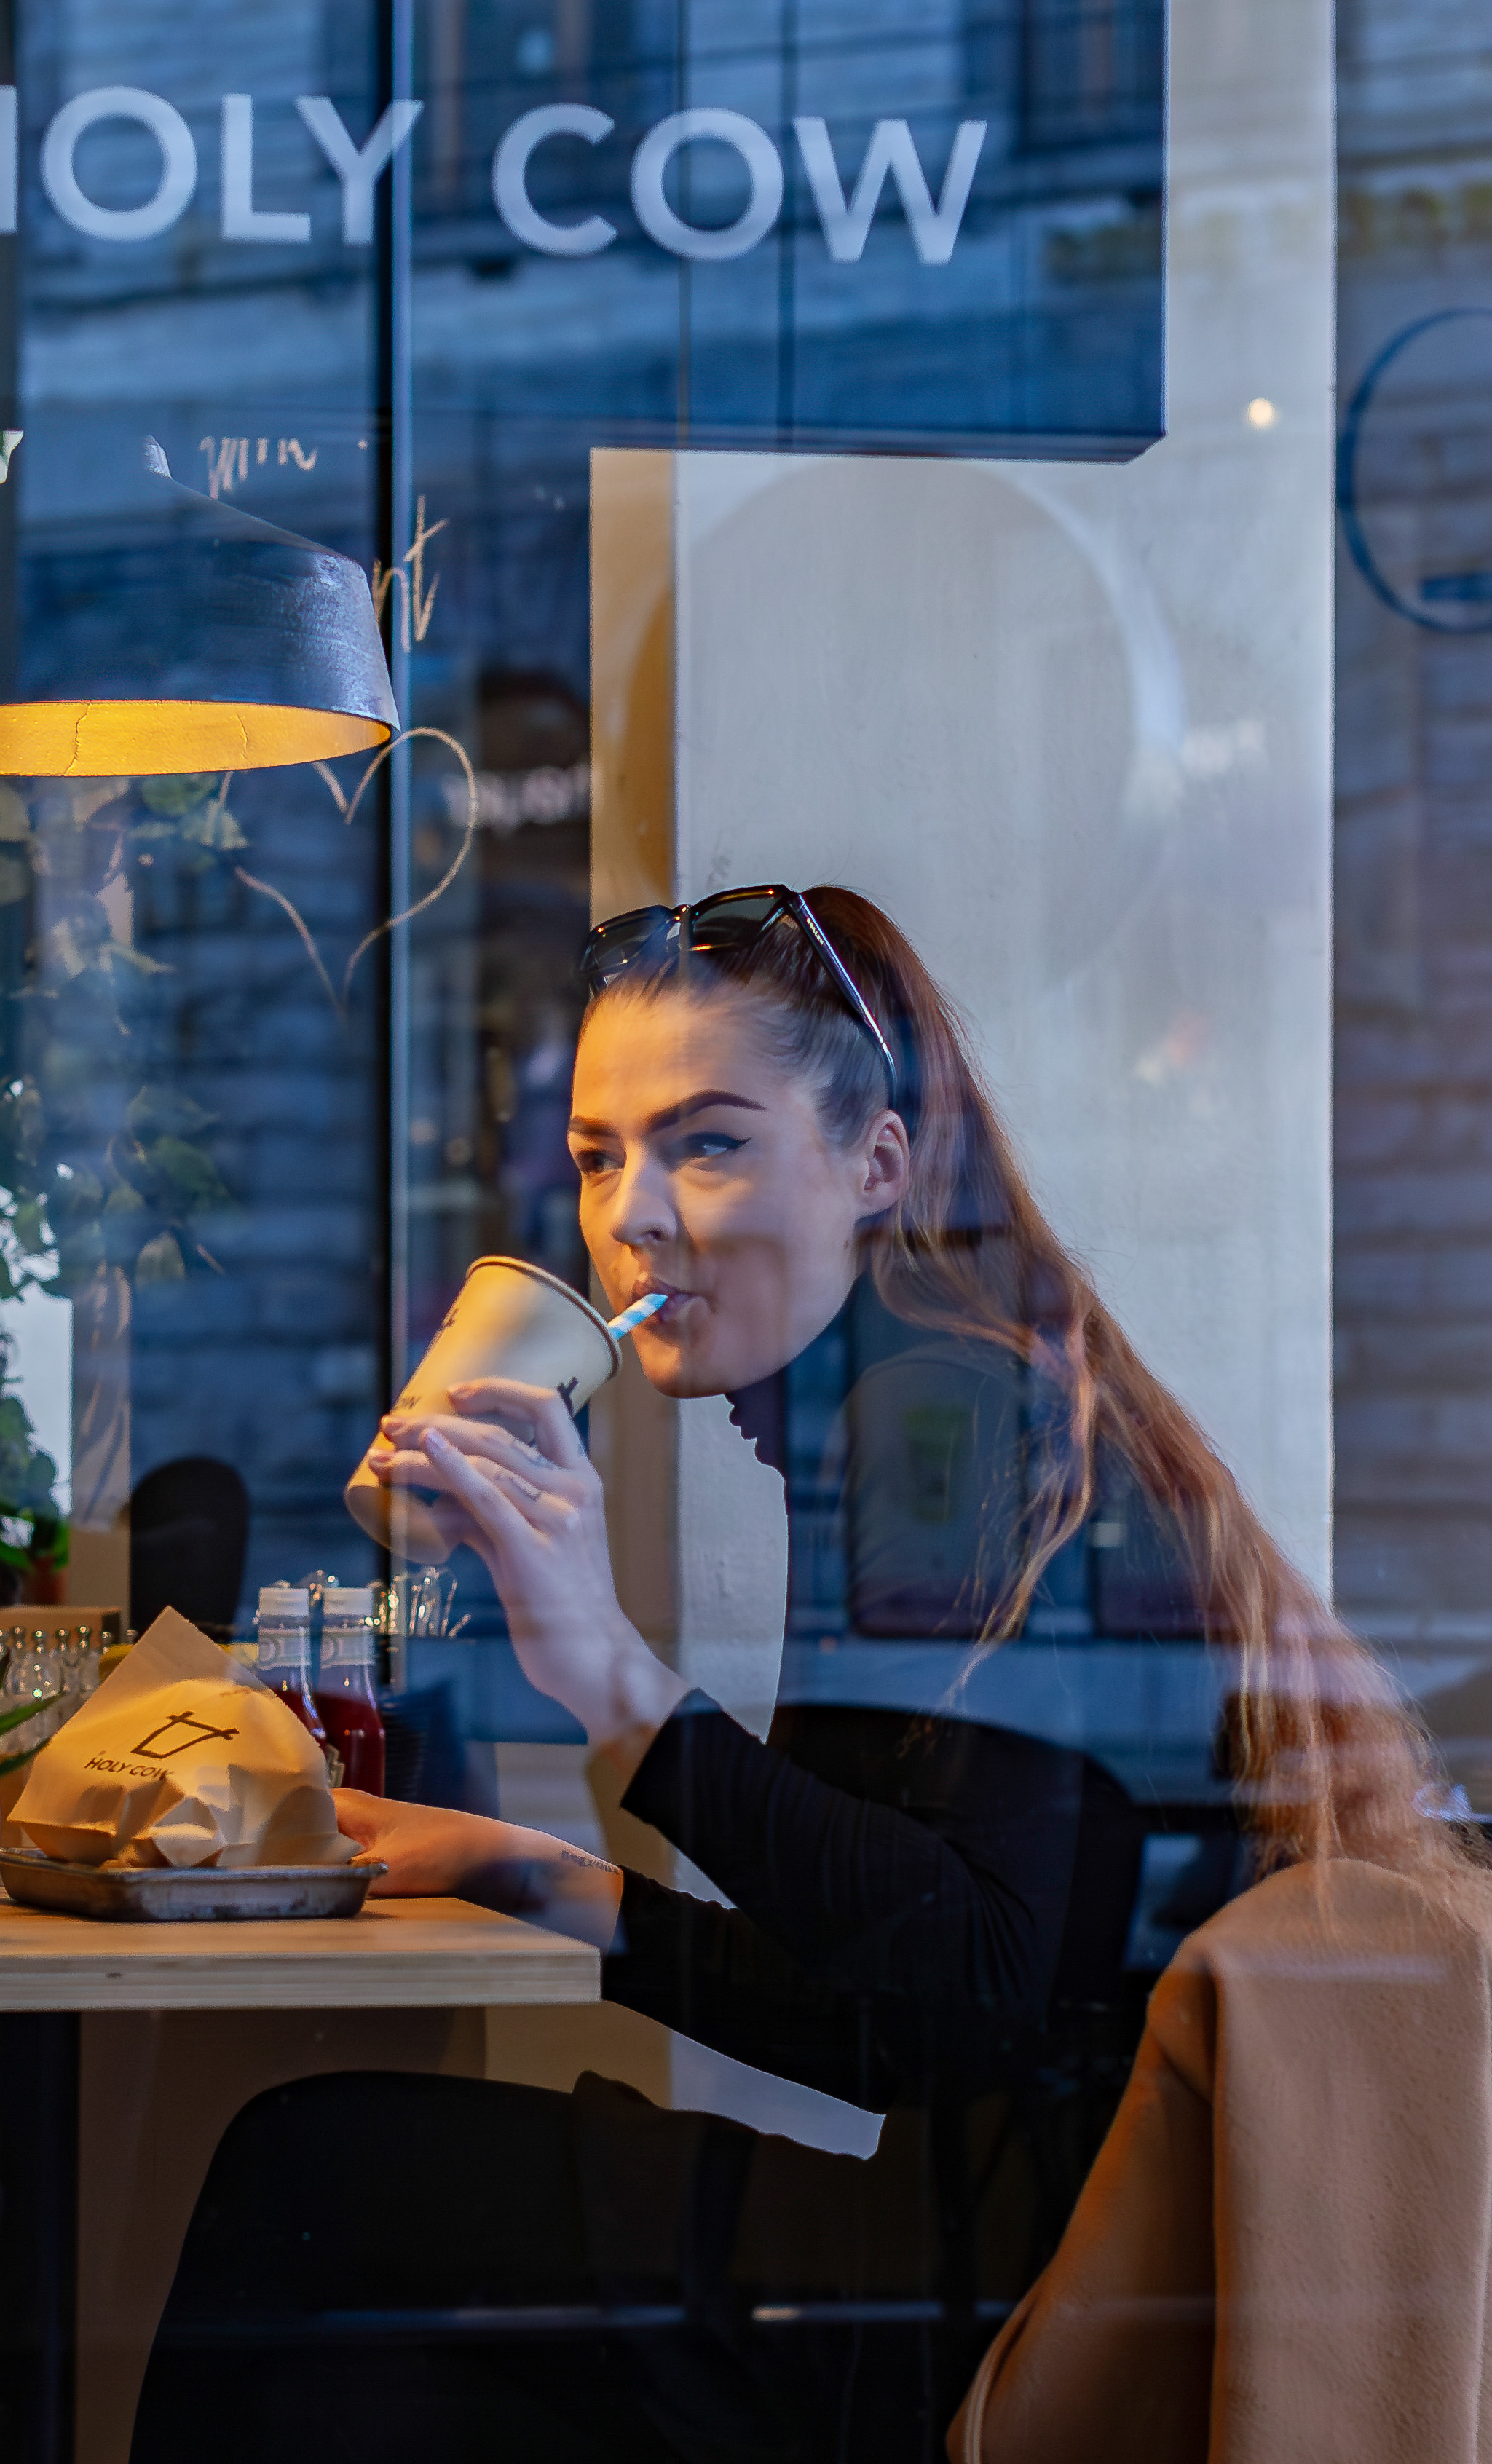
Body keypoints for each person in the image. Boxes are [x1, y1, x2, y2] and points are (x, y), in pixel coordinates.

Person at [133, 884, 1471, 2464]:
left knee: (309, 2170)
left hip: (1017, 2286)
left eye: (709, 1143)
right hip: (1004, 2234)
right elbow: (903, 2008)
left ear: (878, 1166)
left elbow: (957, 2003)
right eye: (595, 1156)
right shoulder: (924, 1394)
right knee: (369, 2361)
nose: (636, 1213)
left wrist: (615, 1681)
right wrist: (530, 1871)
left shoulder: (941, 1426)